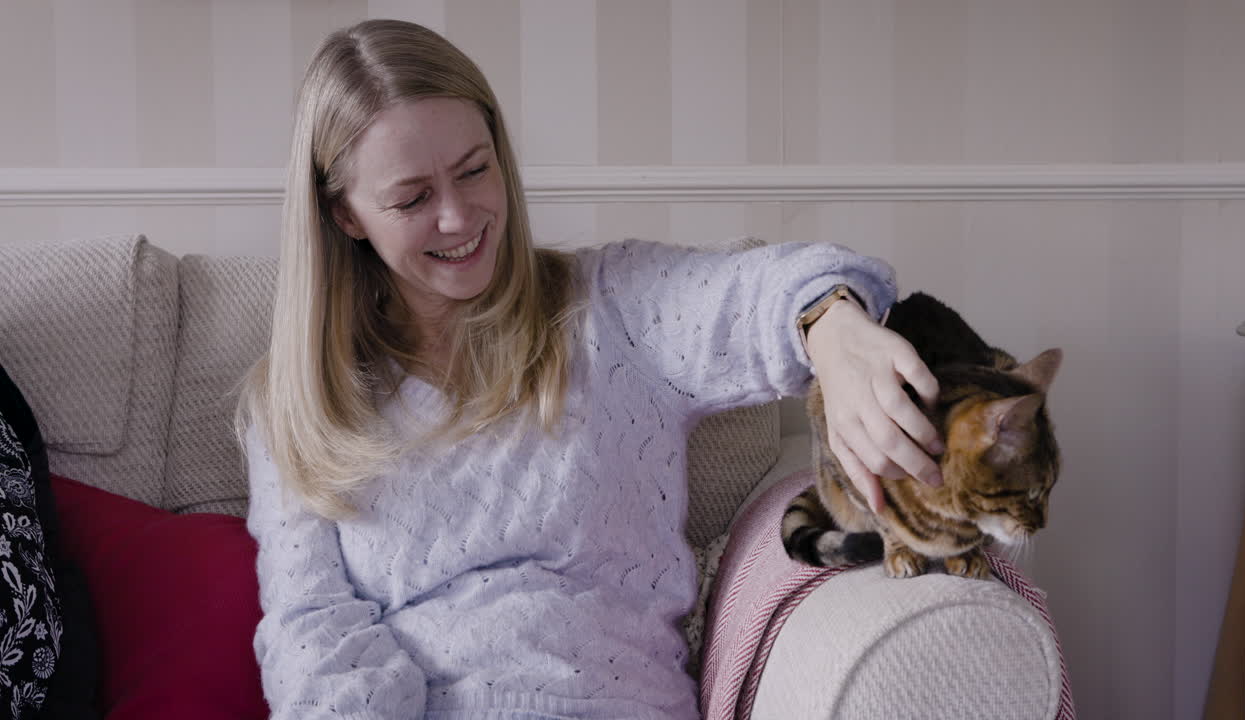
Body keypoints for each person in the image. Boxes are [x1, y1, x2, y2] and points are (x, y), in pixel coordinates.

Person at [237, 18, 943, 720]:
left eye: (475, 170)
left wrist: (833, 328)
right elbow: (311, 629)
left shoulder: (612, 308)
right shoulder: (297, 401)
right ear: (346, 215)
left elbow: (757, 291)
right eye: (414, 198)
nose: (460, 217)